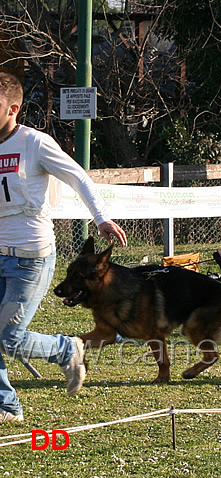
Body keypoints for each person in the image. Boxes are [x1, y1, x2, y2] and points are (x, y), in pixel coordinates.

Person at [0, 72, 128, 421]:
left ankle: (66, 349)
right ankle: (6, 406)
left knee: (9, 337)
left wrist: (100, 219)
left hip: (30, 258)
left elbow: (79, 178)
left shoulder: (34, 143)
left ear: (13, 108)